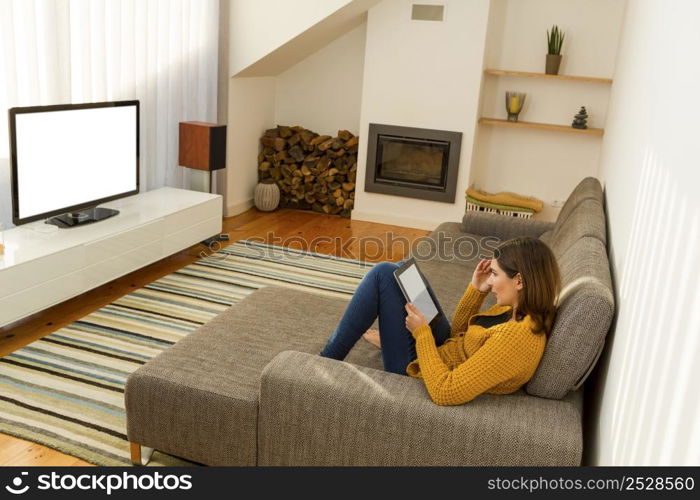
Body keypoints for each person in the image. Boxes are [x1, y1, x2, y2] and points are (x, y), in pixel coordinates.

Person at [318, 236, 561, 406]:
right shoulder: (520, 310)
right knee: (401, 271)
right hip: (444, 352)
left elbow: (446, 391)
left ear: (519, 281)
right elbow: (460, 338)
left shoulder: (516, 338)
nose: (492, 281)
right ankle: (390, 339)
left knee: (383, 274)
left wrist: (421, 334)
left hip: (421, 371)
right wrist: (477, 290)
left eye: (495, 274)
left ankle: (325, 361)